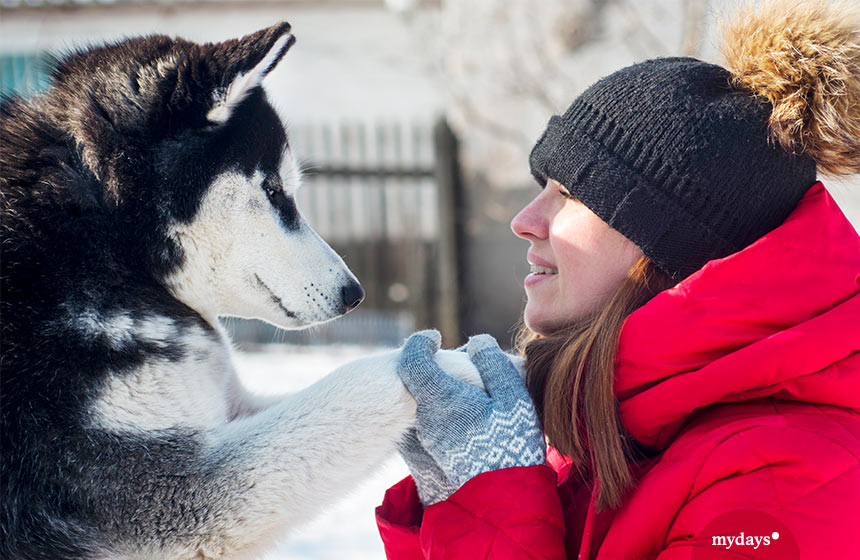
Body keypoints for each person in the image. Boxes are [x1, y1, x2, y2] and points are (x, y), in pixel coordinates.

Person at [375, 1, 860, 558]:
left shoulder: (784, 480)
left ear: (665, 245)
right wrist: (458, 501)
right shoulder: (603, 432)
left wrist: (495, 503)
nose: (524, 221)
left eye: (570, 195)